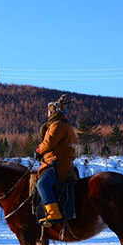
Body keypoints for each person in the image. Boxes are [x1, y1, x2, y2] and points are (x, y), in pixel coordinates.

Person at [35, 94, 77, 227]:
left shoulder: (57, 125)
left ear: (54, 111)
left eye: (49, 111)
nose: (48, 114)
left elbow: (48, 143)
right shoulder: (66, 125)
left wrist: (38, 150)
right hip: (64, 162)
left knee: (42, 184)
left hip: (56, 162)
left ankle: (53, 213)